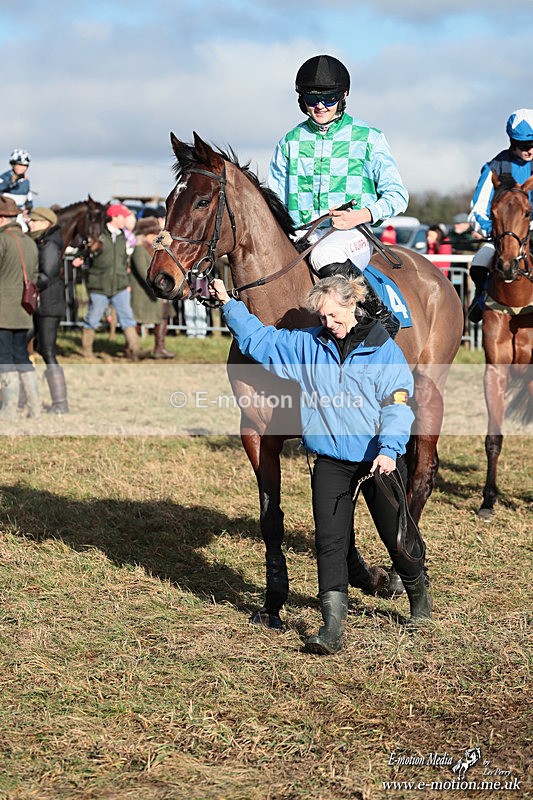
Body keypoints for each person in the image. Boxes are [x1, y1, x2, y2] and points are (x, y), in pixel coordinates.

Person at [209, 274, 431, 655]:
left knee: (395, 535)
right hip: (331, 460)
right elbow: (262, 341)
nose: (328, 323)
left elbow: (397, 402)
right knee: (329, 542)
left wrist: (390, 449)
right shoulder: (309, 344)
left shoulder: (382, 348)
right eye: (322, 317)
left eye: (333, 315)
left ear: (352, 304)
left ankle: (419, 600)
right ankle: (332, 628)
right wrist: (229, 304)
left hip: (376, 457)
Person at [268, 54, 409, 337]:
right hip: (301, 235)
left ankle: (380, 316)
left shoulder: (369, 138)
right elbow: (273, 199)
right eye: (312, 98)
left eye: (329, 98)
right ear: (301, 99)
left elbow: (398, 196)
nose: (320, 106)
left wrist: (361, 215)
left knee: (324, 254)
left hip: (351, 236)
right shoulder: (289, 142)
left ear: (343, 96)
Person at [468, 108, 533, 322]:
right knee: (479, 262)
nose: (530, 150)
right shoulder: (493, 167)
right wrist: (497, 231)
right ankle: (480, 299)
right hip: (504, 237)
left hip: (531, 234)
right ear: (512, 141)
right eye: (524, 145)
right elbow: (477, 212)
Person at [80, 203, 141, 360]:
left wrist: (126, 283)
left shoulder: (123, 236)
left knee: (128, 318)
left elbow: (124, 262)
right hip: (99, 285)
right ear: (114, 217)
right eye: (123, 217)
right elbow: (85, 253)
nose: (125, 220)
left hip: (120, 285)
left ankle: (136, 351)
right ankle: (87, 352)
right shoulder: (97, 234)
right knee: (92, 319)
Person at [0, 195, 40, 419]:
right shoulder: (29, 242)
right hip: (24, 310)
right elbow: (34, 276)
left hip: (3, 311)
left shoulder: (2, 241)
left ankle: (9, 409)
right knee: (21, 356)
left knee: (4, 357)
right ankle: (34, 407)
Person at [27, 206, 68, 413]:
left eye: (34, 220)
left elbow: (47, 274)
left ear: (46, 223)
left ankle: (60, 403)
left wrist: (26, 286)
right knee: (24, 345)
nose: (30, 223)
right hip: (41, 303)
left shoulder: (49, 243)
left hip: (49, 305)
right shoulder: (41, 240)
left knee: (48, 351)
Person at [130, 217, 175, 358]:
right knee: (137, 322)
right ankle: (130, 348)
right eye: (153, 234)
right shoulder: (139, 250)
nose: (156, 236)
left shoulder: (155, 250)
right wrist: (160, 283)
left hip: (157, 291)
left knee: (163, 317)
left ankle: (159, 348)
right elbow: (144, 272)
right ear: (145, 235)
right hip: (143, 294)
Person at [0, 149, 33, 214]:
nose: (23, 168)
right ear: (13, 164)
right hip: (5, 214)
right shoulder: (5, 177)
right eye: (20, 165)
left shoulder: (26, 181)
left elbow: (29, 199)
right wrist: (13, 180)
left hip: (20, 213)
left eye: (25, 165)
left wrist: (28, 208)